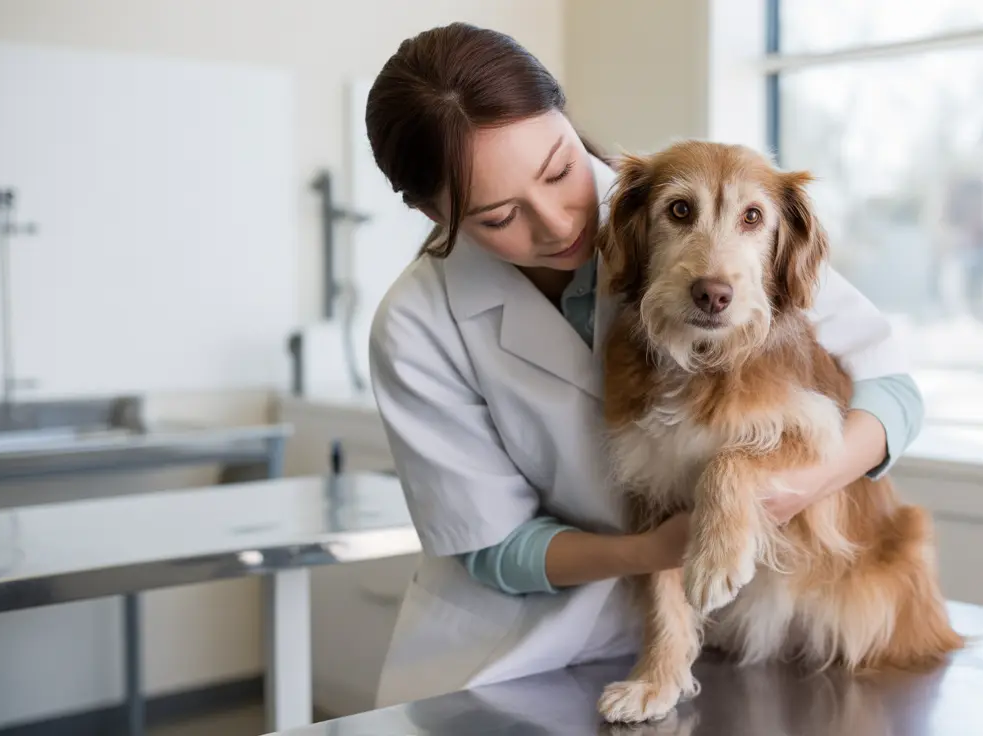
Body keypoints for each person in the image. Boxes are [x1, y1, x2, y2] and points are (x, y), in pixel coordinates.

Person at [363, 22, 924, 707]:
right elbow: (494, 547)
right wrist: (658, 550)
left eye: (558, 170)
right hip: (512, 654)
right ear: (429, 212)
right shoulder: (417, 325)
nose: (558, 224)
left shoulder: (685, 209)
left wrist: (781, 489)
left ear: (566, 120)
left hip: (728, 640)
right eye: (499, 214)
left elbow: (891, 392)